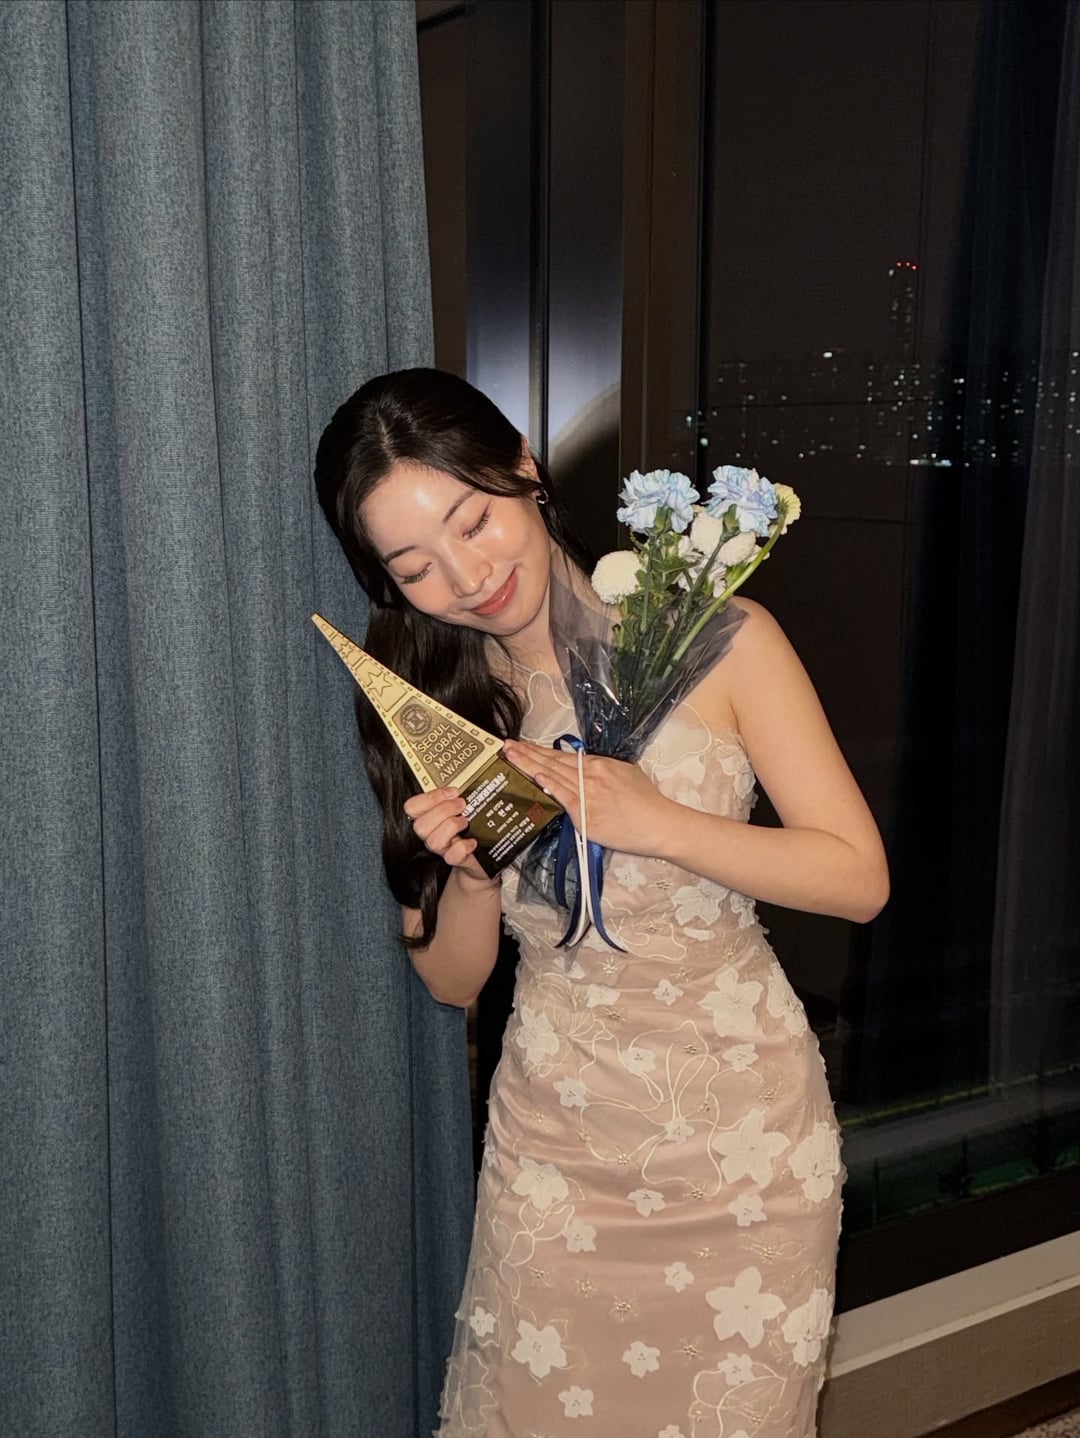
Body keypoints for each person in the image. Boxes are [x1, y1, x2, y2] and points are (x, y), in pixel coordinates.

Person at [314, 367, 889, 1438]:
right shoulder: (439, 709)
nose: (467, 576)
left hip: (744, 1145)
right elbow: (453, 982)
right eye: (416, 566)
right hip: (557, 1150)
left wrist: (658, 820)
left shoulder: (722, 637)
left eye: (474, 521)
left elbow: (858, 878)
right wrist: (471, 874)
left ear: (523, 468)